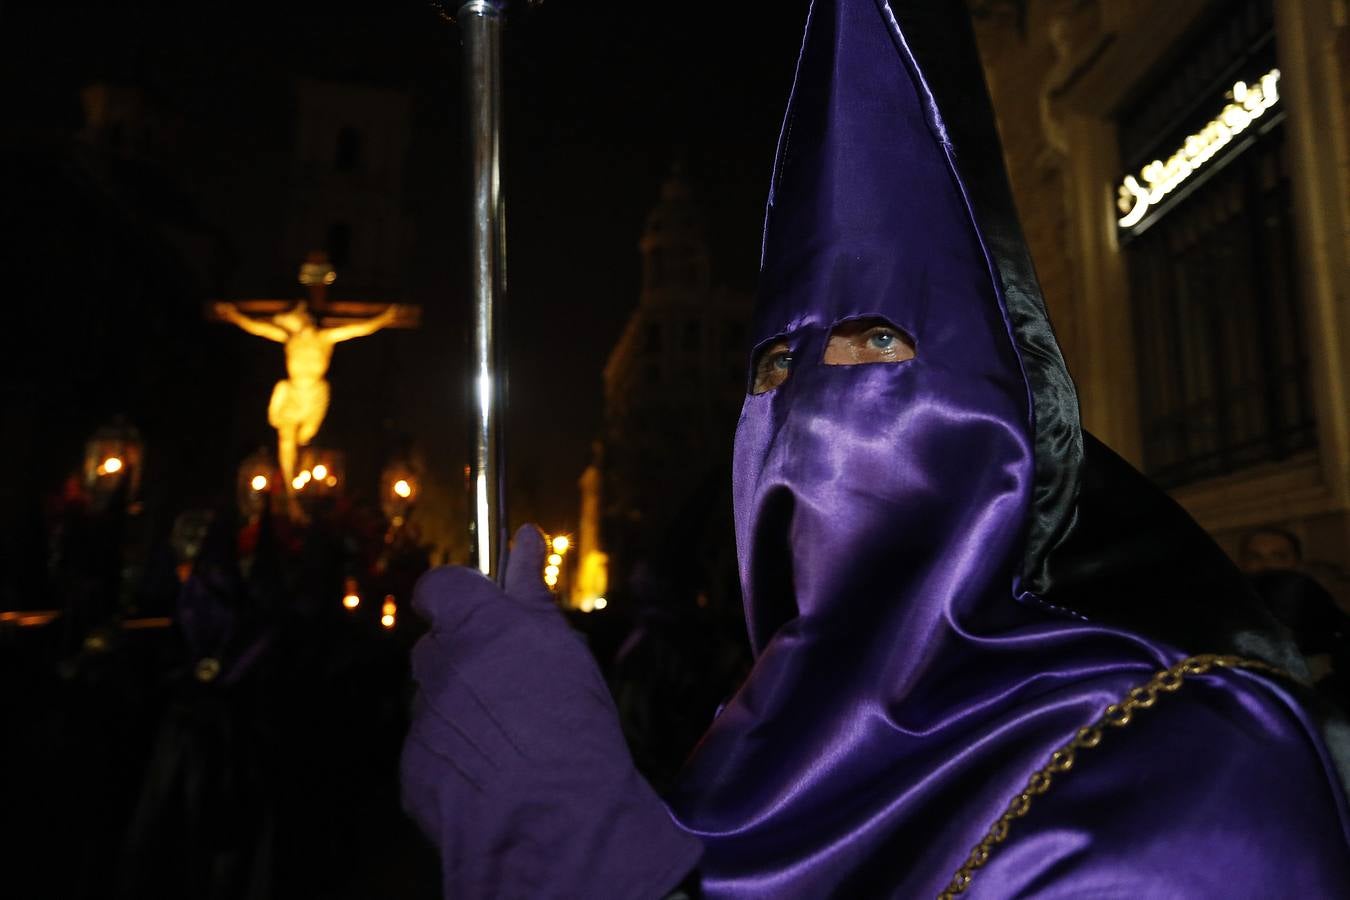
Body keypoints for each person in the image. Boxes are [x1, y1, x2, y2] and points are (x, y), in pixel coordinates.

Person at [402, 2, 1350, 897]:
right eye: (776, 362)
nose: (812, 399)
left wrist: (577, 852)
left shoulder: (1186, 756)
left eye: (879, 340)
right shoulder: (747, 732)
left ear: (993, 396)